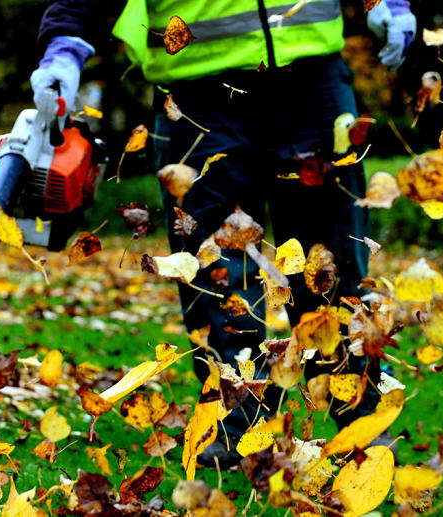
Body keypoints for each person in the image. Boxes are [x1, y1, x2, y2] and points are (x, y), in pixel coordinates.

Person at [30, 0, 416, 467]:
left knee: (329, 264)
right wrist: (65, 44)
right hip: (196, 91)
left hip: (311, 79)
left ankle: (361, 418)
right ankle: (239, 423)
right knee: (213, 271)